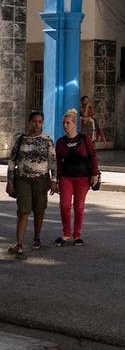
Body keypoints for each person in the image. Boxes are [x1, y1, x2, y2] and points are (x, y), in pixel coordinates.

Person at [6, 109, 57, 255]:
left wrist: (54, 180)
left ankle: (36, 238)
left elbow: (53, 162)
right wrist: (10, 181)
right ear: (29, 122)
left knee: (39, 210)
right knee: (23, 211)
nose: (37, 124)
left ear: (42, 123)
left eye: (40, 122)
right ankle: (19, 243)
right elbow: (12, 161)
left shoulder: (47, 140)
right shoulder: (21, 139)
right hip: (22, 180)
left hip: (41, 180)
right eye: (34, 121)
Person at [55, 109, 99, 246]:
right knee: (64, 205)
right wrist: (55, 179)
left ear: (74, 124)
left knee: (79, 206)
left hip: (83, 178)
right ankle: (66, 233)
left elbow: (92, 156)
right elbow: (57, 162)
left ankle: (77, 235)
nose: (65, 125)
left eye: (68, 123)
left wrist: (95, 174)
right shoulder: (60, 142)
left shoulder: (84, 139)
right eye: (63, 123)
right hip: (66, 177)